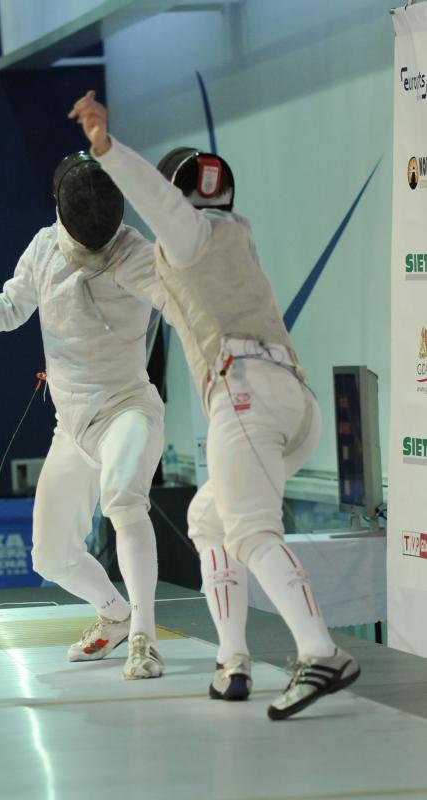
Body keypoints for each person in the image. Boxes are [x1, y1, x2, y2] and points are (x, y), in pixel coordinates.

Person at [69, 91, 360, 719]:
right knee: (208, 520)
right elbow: (166, 258)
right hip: (292, 403)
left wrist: (106, 148)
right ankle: (233, 662)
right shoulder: (235, 237)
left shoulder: (192, 239)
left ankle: (320, 652)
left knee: (252, 531)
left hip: (244, 399)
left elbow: (162, 208)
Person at [0, 151, 167, 680]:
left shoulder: (137, 254)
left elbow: (183, 303)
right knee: (51, 557)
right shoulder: (45, 247)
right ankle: (116, 615)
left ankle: (145, 638)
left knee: (124, 498)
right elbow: (11, 309)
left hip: (126, 410)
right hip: (72, 427)